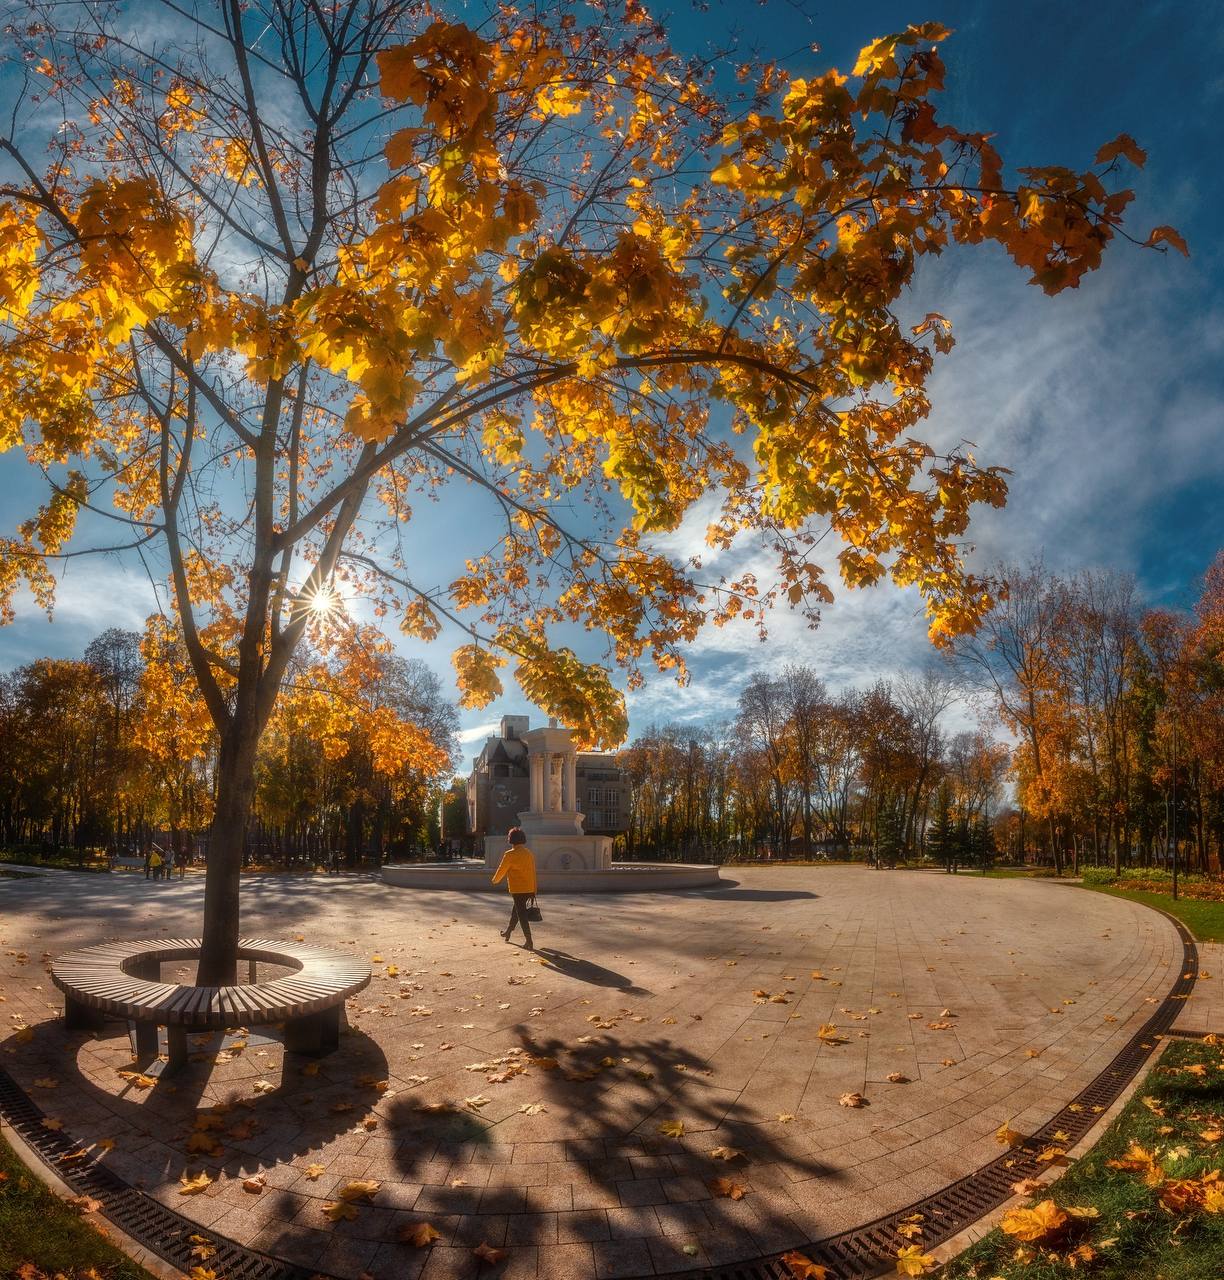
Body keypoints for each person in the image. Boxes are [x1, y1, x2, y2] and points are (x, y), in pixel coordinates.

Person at [491, 827, 537, 949]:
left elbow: (502, 869)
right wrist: (534, 890)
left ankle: (529, 941)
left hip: (518, 889)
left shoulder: (510, 854)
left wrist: (495, 880)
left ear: (511, 839)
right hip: (529, 888)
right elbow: (533, 872)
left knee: (521, 914)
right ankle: (508, 932)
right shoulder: (529, 853)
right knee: (516, 911)